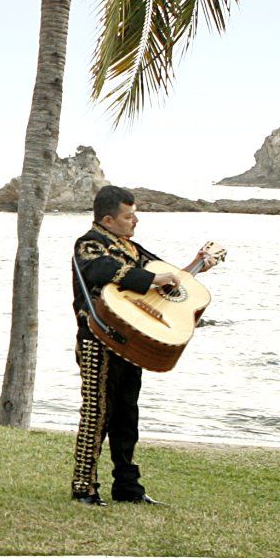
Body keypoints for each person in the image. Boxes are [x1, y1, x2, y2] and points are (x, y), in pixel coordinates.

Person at [69, 185, 210, 506]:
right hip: (98, 339)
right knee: (96, 413)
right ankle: (83, 486)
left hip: (131, 340)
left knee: (126, 415)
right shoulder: (89, 244)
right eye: (128, 217)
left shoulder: (134, 249)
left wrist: (196, 264)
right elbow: (100, 271)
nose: (135, 222)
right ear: (107, 219)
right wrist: (149, 280)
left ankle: (127, 487)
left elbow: (168, 277)